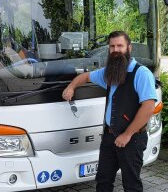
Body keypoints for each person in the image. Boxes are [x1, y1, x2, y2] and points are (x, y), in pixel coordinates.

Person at [62, 31, 156, 192]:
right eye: (112, 46)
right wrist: (71, 86)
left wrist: (127, 134)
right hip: (109, 137)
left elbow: (148, 107)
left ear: (129, 48)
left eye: (120, 46)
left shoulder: (141, 73)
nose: (115, 50)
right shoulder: (110, 72)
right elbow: (85, 77)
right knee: (103, 182)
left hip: (132, 140)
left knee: (131, 185)